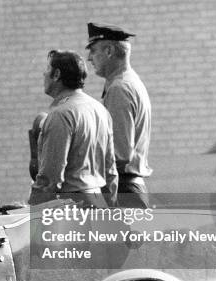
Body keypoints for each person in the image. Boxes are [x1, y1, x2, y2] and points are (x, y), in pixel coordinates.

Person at [28, 50, 117, 206]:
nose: (43, 74)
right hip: (99, 202)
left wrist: (31, 208)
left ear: (56, 75)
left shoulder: (60, 114)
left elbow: (50, 177)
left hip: (73, 207)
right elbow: (110, 170)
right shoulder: (100, 110)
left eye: (47, 69)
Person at [86, 22, 151, 208]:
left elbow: (119, 153)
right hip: (129, 189)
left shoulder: (119, 88)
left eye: (93, 50)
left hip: (122, 191)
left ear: (109, 51)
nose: (89, 58)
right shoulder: (129, 82)